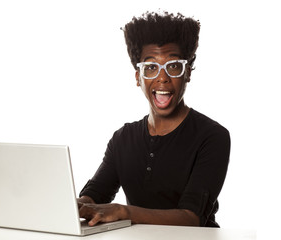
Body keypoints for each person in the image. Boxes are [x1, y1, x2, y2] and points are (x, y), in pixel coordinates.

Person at [78, 11, 230, 228]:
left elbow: (192, 217)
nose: (162, 78)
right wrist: (77, 205)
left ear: (187, 73)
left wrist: (123, 211)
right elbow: (95, 194)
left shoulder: (212, 136)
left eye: (173, 66)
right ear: (138, 78)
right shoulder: (123, 138)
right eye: (150, 67)